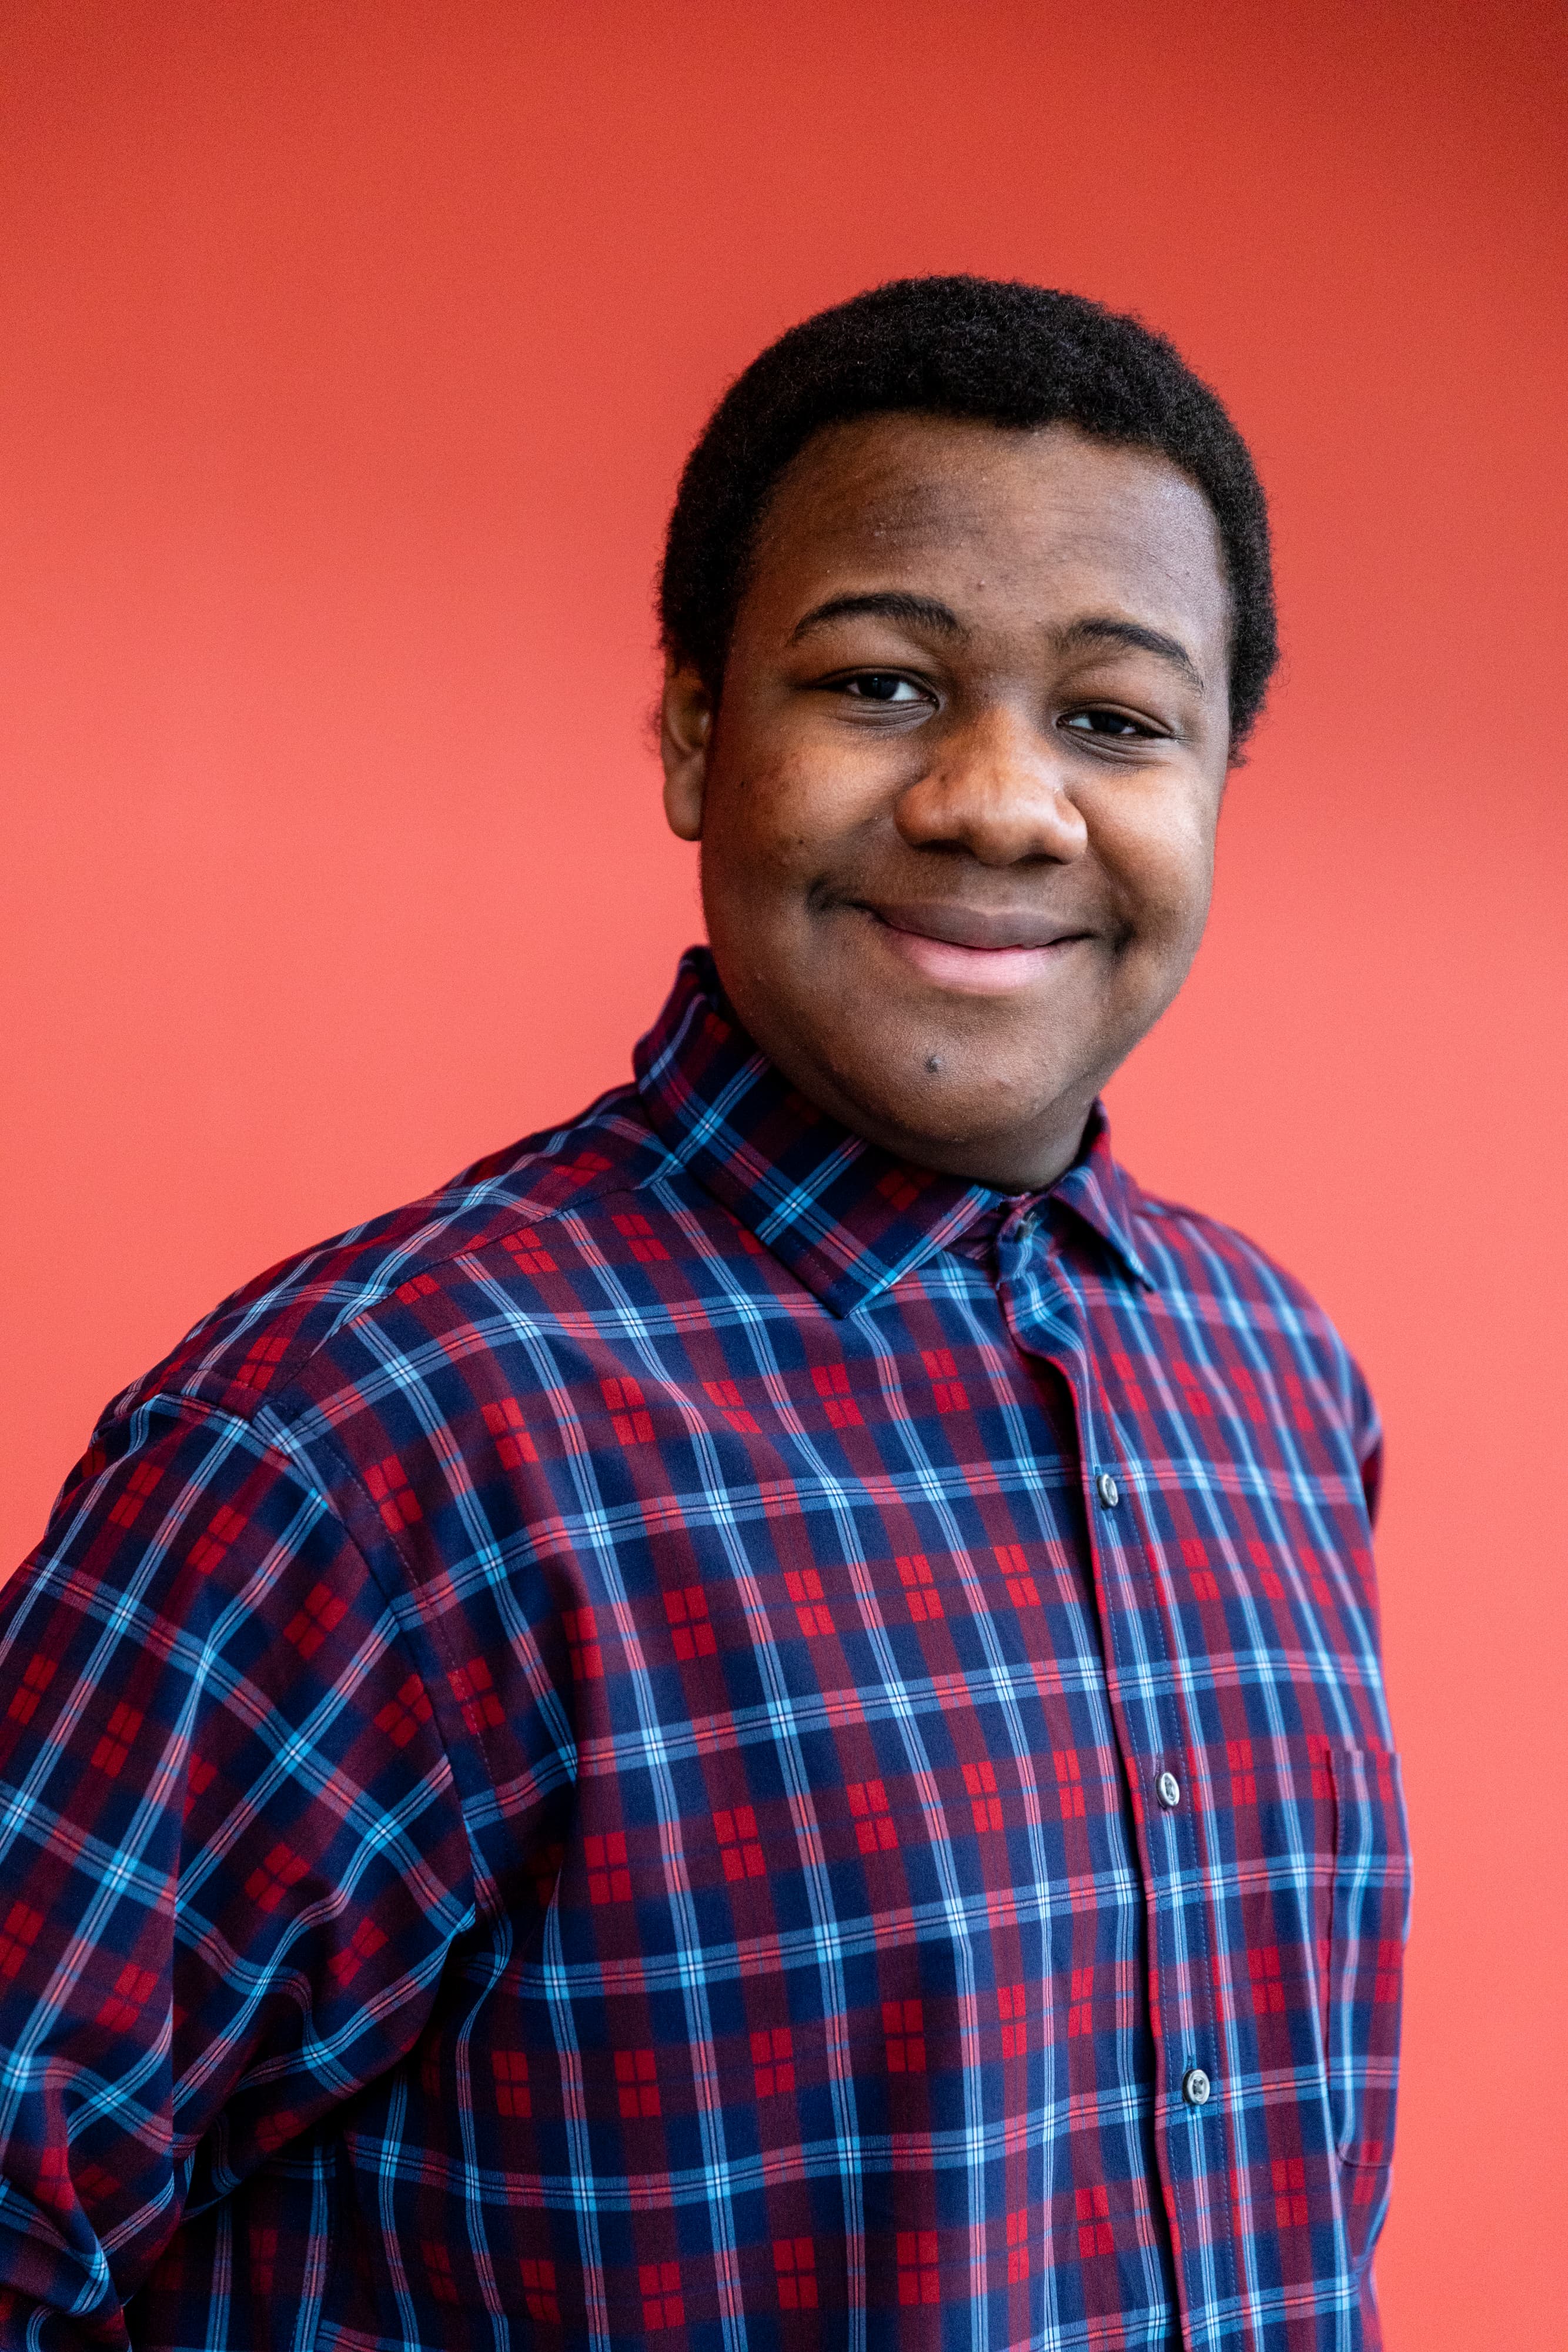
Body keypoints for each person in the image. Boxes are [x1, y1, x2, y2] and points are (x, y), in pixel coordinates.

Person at [0, 276, 1408, 2351]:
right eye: (881, 685)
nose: (999, 801)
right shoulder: (371, 1433)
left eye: (1116, 720)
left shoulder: (1268, 1380)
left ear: (1214, 785)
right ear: (691, 733)